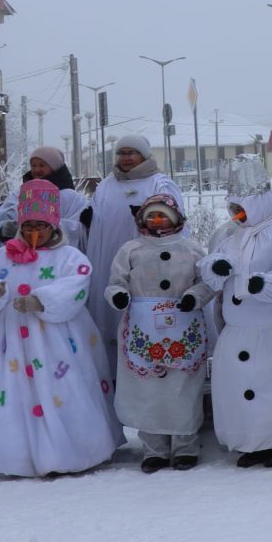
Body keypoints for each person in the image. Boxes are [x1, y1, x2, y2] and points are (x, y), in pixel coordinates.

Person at [0, 180, 119, 477]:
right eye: (28, 226)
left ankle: (72, 450)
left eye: (41, 225)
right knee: (10, 392)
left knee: (64, 389)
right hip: (9, 341)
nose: (34, 232)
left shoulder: (70, 256)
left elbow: (77, 284)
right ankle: (13, 455)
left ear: (53, 225)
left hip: (57, 340)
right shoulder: (1, 255)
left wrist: (41, 300)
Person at [200, 157, 272, 467]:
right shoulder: (232, 236)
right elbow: (211, 268)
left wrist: (254, 283)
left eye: (242, 208)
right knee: (238, 387)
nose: (237, 215)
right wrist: (217, 268)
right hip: (239, 333)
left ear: (259, 203)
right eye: (233, 208)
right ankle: (250, 443)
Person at [106, 192, 213, 472]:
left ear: (176, 218)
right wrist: (118, 296)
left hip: (183, 326)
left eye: (162, 215)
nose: (156, 220)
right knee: (147, 391)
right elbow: (115, 281)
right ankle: (153, 448)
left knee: (183, 389)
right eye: (150, 215)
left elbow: (207, 281)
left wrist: (195, 296)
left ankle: (185, 446)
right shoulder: (130, 249)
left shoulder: (191, 248)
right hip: (142, 327)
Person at [85, 134, 181, 397]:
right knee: (111, 317)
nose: (125, 158)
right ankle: (115, 379)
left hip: (147, 268)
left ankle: (152, 375)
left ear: (144, 155)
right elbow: (90, 225)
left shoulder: (159, 183)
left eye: (131, 153)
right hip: (108, 262)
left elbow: (176, 222)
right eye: (121, 153)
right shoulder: (105, 186)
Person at [0, 146, 90, 250]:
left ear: (54, 167)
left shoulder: (71, 197)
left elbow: (81, 227)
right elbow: (4, 218)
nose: (37, 170)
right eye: (33, 165)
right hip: (23, 256)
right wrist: (3, 215)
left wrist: (48, 226)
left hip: (58, 256)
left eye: (42, 165)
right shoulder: (22, 192)